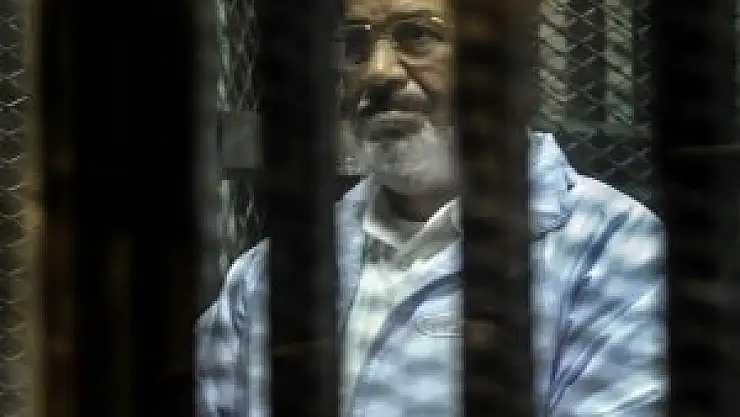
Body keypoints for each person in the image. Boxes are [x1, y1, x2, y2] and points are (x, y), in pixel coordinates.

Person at [197, 0, 666, 415]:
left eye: (418, 35)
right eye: (356, 44)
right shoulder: (268, 275)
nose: (378, 71)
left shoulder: (615, 252)